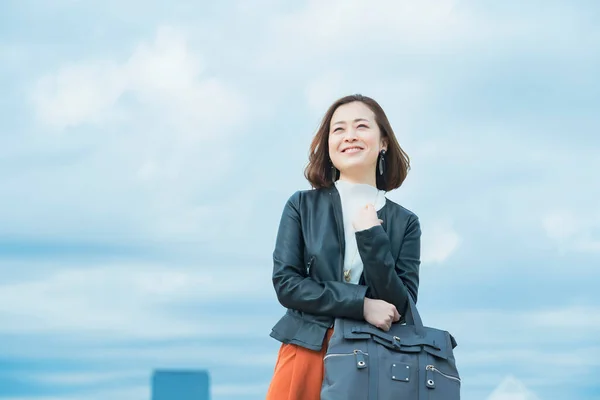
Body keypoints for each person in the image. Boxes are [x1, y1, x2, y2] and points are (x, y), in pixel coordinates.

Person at [265, 94, 421, 400]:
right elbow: (286, 284)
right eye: (338, 130)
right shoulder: (302, 205)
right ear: (328, 144)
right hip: (305, 350)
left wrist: (370, 236)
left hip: (374, 359)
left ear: (383, 142)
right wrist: (361, 304)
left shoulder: (406, 223)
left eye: (361, 126)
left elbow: (401, 307)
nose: (350, 136)